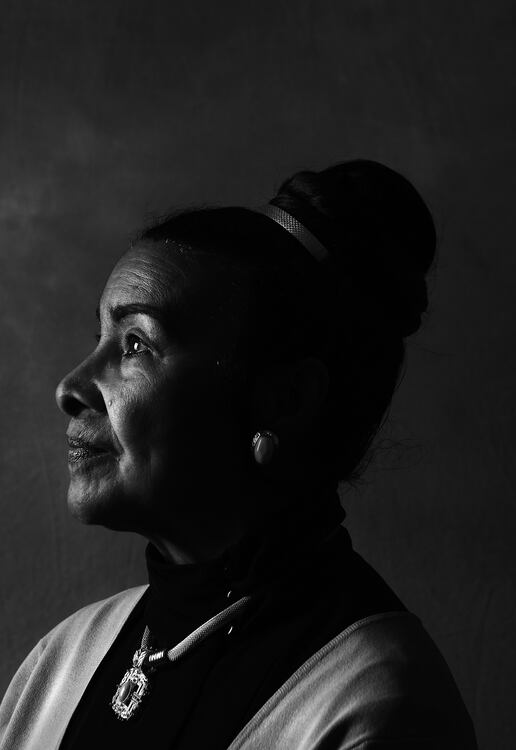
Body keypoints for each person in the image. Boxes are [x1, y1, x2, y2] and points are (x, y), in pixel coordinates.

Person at [0, 160, 478, 749]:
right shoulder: (61, 665)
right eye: (97, 338)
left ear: (283, 401)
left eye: (135, 344)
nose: (70, 387)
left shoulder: (375, 705)